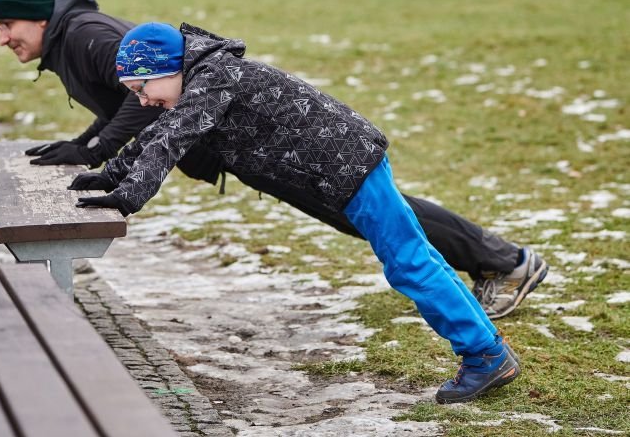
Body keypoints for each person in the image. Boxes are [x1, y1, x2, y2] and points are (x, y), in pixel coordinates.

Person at [0, 0, 548, 319]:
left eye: (6, 26)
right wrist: (93, 145)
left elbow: (147, 98)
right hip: (245, 145)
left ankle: (504, 262)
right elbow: (135, 101)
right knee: (365, 215)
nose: (3, 38)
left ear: (36, 17)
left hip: (272, 142)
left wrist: (99, 151)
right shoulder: (70, 39)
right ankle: (497, 263)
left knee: (377, 214)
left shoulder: (87, 38)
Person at [69, 21, 522, 404]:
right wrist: (111, 175)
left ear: (167, 69)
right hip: (342, 168)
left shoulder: (213, 77)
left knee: (409, 263)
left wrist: (128, 196)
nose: (142, 100)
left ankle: (484, 355)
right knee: (415, 257)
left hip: (349, 167)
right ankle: (486, 350)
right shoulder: (203, 78)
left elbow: (174, 138)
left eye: (142, 88)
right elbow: (162, 130)